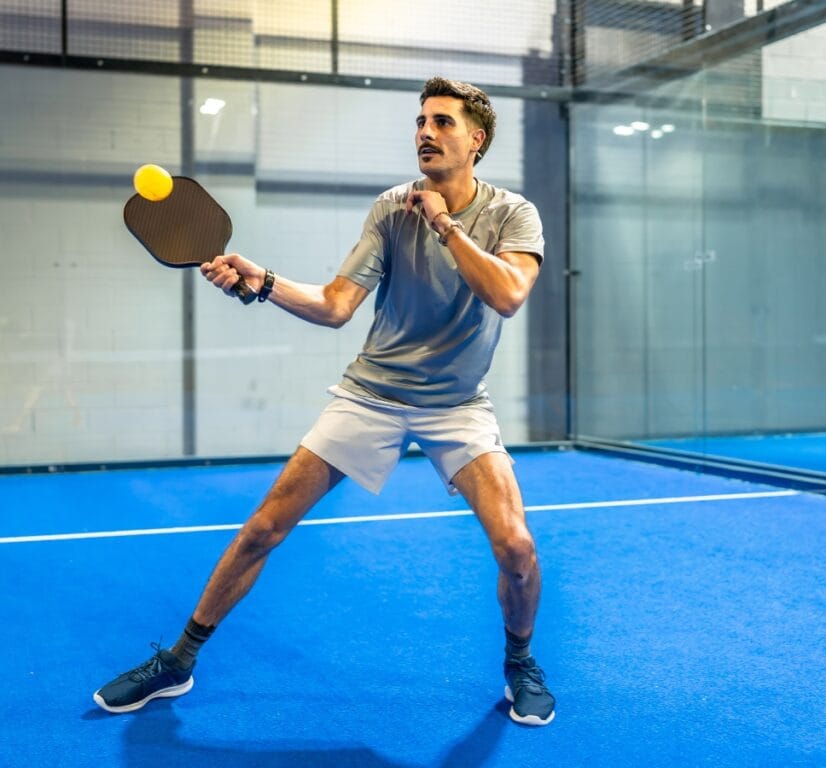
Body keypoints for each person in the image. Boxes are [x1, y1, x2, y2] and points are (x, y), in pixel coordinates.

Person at [93, 76, 555, 726]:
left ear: (476, 140)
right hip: (373, 393)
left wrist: (446, 224)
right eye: (421, 121)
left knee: (516, 548)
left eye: (443, 123)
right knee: (263, 528)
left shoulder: (514, 214)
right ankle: (178, 661)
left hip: (456, 404)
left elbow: (508, 294)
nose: (425, 132)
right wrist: (266, 282)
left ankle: (519, 662)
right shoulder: (393, 208)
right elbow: (337, 305)